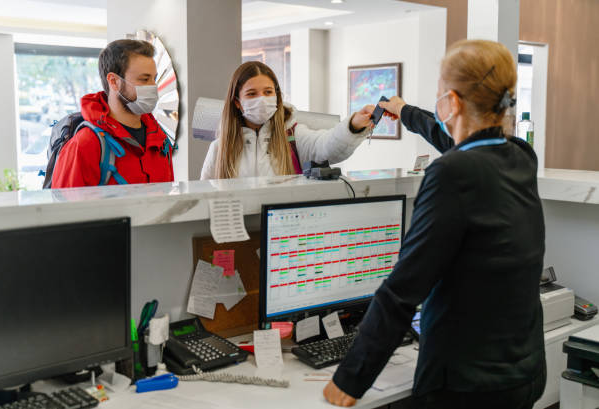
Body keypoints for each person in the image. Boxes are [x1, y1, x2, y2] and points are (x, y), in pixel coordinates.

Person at [323, 39, 546, 408]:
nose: (439, 100)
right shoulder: (520, 155)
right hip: (522, 372)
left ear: (453, 102)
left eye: (440, 93)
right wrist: (406, 111)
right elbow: (458, 143)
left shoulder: (450, 174)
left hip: (467, 386)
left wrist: (351, 378)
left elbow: (402, 290)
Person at [200, 61, 374, 180]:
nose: (262, 99)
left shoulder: (293, 136)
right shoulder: (220, 148)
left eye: (268, 92)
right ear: (237, 102)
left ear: (276, 96)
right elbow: (204, 197)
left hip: (284, 228)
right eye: (252, 94)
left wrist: (353, 125)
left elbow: (327, 147)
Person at [52, 39, 174, 188]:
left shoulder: (159, 141)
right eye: (144, 79)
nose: (153, 87)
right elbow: (65, 209)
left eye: (154, 79)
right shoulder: (85, 145)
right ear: (114, 81)